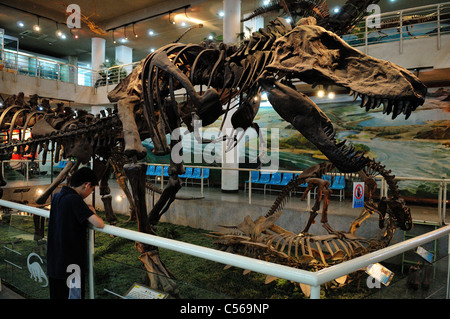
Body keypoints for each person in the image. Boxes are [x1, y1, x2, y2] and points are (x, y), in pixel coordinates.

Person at [47, 167, 104, 299]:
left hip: (55, 261)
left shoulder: (57, 196)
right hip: (71, 265)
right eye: (92, 189)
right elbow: (99, 223)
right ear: (87, 185)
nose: (90, 193)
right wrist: (92, 211)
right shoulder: (74, 200)